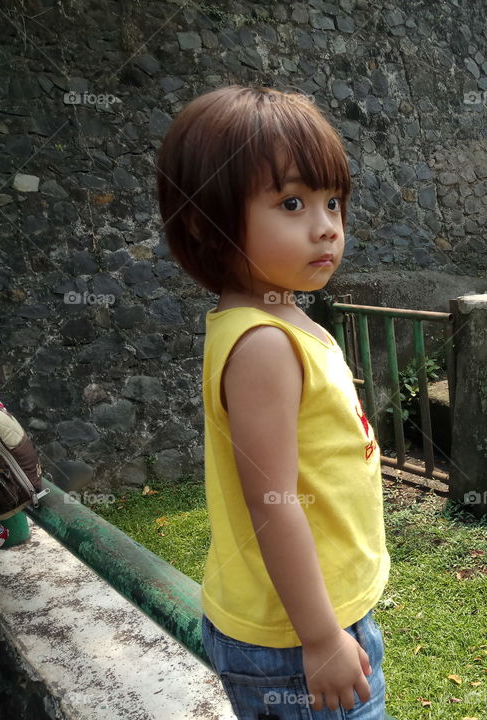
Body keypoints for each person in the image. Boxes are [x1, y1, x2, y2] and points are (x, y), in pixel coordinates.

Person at [156, 85, 392, 719]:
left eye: (333, 201)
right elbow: (275, 504)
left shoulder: (275, 317)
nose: (326, 226)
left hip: (306, 622)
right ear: (206, 222)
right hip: (296, 640)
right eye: (292, 202)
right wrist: (319, 638)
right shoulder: (263, 344)